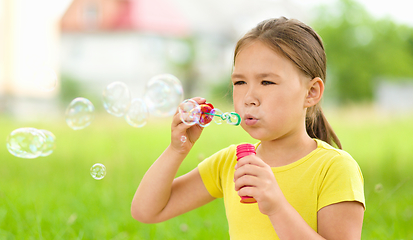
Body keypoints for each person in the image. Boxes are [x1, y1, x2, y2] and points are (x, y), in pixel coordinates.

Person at [131, 16, 365, 239]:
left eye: (267, 82)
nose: (249, 97)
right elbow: (147, 211)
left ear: (311, 92)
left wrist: (276, 207)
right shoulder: (231, 163)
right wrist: (177, 149)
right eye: (240, 82)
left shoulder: (335, 169)